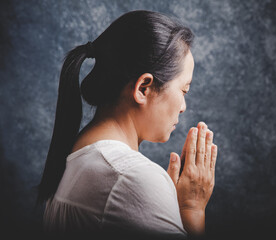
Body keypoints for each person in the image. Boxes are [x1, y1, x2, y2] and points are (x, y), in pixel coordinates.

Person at [37, 10, 218, 239]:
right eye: (184, 90)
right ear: (144, 88)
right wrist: (192, 211)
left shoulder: (76, 156)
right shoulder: (131, 177)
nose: (183, 106)